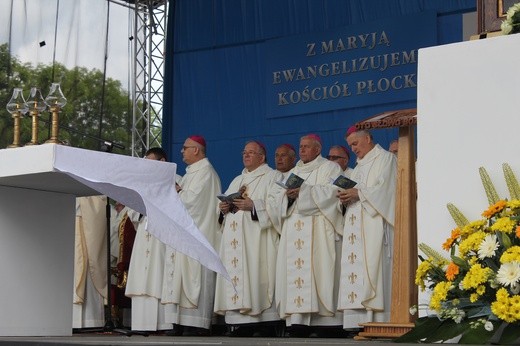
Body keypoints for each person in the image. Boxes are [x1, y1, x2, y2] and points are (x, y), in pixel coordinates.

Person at [268, 134, 344, 336]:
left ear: (318, 149)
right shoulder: (292, 172)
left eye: (306, 147)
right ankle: (297, 322)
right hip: (293, 228)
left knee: (319, 270)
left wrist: (304, 192)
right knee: (294, 272)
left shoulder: (330, 168)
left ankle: (323, 324)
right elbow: (275, 201)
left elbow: (334, 192)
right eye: (300, 147)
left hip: (317, 227)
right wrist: (288, 197)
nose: (301, 150)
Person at [214, 140, 281, 336]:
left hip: (257, 239)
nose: (246, 155)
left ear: (262, 157)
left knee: (257, 275)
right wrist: (223, 209)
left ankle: (262, 324)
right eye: (244, 152)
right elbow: (223, 206)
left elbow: (277, 206)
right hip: (235, 238)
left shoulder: (272, 176)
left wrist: (253, 206)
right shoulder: (237, 180)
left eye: (251, 152)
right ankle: (239, 324)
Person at [337, 126, 397, 330]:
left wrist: (358, 194)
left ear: (368, 138)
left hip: (374, 225)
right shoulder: (358, 166)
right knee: (356, 272)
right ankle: (357, 322)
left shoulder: (386, 159)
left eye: (355, 143)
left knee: (373, 268)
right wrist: (345, 198)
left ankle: (379, 321)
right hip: (355, 226)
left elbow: (387, 190)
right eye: (350, 145)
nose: (353, 149)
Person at [161, 135, 221, 336]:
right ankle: (178, 322)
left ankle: (197, 323)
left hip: (198, 237)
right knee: (179, 277)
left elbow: (194, 202)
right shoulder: (190, 174)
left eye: (185, 148)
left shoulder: (206, 173)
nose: (181, 151)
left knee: (195, 279)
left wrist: (177, 192)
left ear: (196, 150)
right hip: (183, 236)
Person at [125, 147, 172, 332]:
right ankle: (141, 325)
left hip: (161, 236)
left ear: (161, 162)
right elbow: (132, 211)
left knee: (158, 274)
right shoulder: (141, 184)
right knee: (143, 278)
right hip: (144, 232)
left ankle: (163, 324)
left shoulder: (175, 181)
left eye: (149, 161)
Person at [72, 196, 108, 329]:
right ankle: (69, 320)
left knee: (89, 266)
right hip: (68, 224)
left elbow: (100, 200)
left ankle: (91, 321)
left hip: (87, 226)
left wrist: (80, 201)